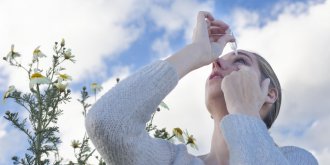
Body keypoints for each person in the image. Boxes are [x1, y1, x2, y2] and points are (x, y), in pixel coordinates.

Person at [85, 11, 318, 165]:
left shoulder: (295, 159)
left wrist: (244, 112)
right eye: (218, 61)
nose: (218, 63)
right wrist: (196, 52)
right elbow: (107, 124)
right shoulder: (173, 161)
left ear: (269, 93)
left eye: (239, 61)